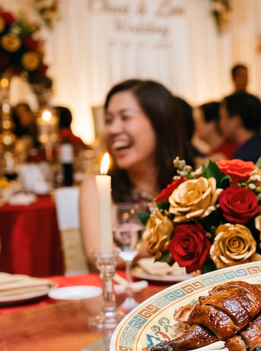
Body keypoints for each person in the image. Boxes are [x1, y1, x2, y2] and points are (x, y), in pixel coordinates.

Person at [79, 79, 194, 265]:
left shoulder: (198, 184)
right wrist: (160, 244)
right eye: (108, 120)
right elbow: (97, 256)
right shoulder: (98, 187)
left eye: (125, 117)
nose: (113, 129)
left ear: (160, 123)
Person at [219, 92, 261, 165]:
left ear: (235, 121)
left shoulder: (247, 157)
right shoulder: (260, 145)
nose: (220, 123)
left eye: (222, 117)